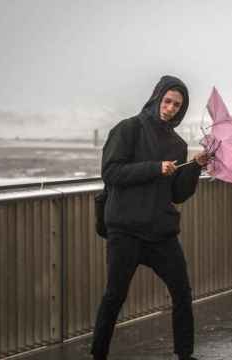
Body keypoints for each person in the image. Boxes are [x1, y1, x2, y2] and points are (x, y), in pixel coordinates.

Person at [91, 75, 208, 360]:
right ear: (156, 97)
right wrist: (155, 168)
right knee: (114, 297)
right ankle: (98, 355)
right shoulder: (128, 129)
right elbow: (112, 172)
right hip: (126, 230)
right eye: (167, 101)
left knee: (182, 293)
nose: (171, 108)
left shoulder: (177, 144)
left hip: (161, 232)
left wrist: (194, 167)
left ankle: (185, 354)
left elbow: (178, 194)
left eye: (177, 105)